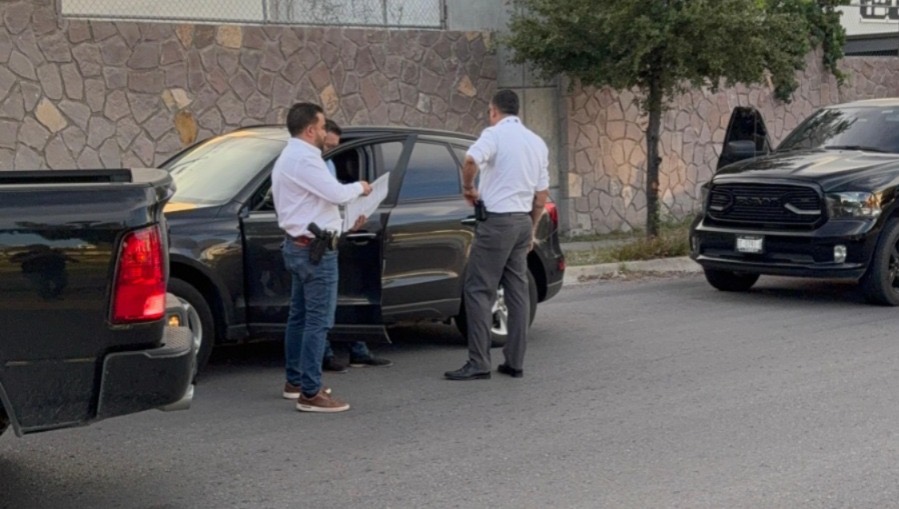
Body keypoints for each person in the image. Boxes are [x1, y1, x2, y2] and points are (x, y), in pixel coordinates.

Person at [272, 102, 372, 413]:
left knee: (299, 317)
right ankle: (311, 392)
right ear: (310, 129)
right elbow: (336, 193)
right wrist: (362, 187)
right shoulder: (306, 158)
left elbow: (316, 203)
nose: (326, 131)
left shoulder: (290, 156)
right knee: (318, 321)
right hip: (315, 250)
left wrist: (346, 221)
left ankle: (296, 382)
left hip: (300, 245)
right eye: (322, 125)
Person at [444, 89, 549, 381]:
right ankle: (514, 362)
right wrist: (531, 229)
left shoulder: (494, 135)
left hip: (497, 222)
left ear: (493, 111)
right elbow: (541, 196)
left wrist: (468, 188)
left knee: (478, 289)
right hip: (522, 222)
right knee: (517, 292)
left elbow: (470, 161)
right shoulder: (537, 142)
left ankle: (479, 362)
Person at [319, 119, 393, 372]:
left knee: (349, 291)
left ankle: (357, 348)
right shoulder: (308, 163)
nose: (330, 151)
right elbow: (333, 195)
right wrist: (358, 188)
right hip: (320, 237)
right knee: (322, 303)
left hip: (341, 231)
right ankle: (324, 354)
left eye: (334, 147)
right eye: (328, 146)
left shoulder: (327, 162)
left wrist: (354, 213)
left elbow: (336, 195)